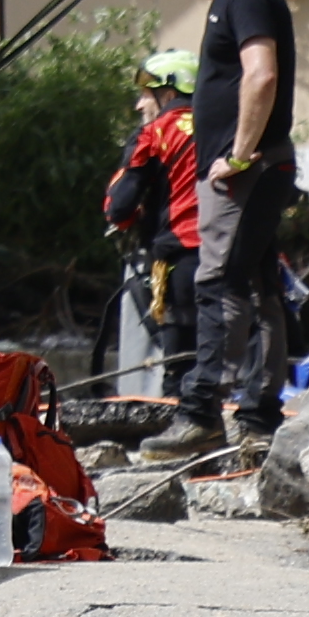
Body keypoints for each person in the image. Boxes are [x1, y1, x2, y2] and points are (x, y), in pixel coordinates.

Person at [177, 0, 300, 450]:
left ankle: (201, 411)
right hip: (255, 168)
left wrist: (241, 153)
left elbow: (261, 74)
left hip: (247, 171)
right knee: (257, 282)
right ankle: (257, 413)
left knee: (219, 282)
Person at [98, 40, 202, 393]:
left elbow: (118, 207)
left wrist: (127, 213)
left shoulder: (154, 133)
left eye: (146, 94)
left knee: (177, 371)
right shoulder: (227, 124)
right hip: (232, 259)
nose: (140, 103)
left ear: (168, 92)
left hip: (178, 258)